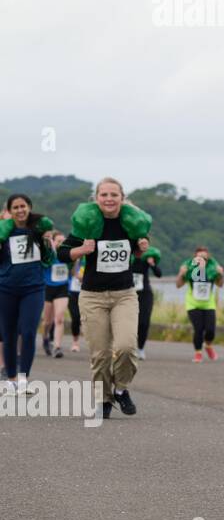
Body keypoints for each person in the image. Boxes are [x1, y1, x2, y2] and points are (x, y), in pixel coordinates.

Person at [57, 178, 150, 417]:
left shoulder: (130, 224)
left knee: (127, 347)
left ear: (122, 197)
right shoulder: (88, 224)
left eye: (113, 195)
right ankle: (103, 399)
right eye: (104, 195)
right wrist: (82, 250)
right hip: (92, 296)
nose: (109, 199)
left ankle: (120, 389)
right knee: (100, 354)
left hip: (124, 295)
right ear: (96, 198)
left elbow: (138, 251)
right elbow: (63, 253)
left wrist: (142, 247)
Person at [1, 194, 54, 395]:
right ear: (10, 211)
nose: (20, 210)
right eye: (15, 207)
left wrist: (48, 243)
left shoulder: (39, 229)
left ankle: (24, 378)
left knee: (29, 331)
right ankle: (11, 380)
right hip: (6, 288)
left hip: (33, 288)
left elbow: (49, 259)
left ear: (29, 207)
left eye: (23, 206)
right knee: (9, 334)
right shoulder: (4, 233)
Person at [176, 247, 224, 362]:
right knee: (198, 329)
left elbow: (220, 284)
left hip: (208, 304)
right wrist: (181, 274)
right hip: (193, 304)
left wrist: (221, 274)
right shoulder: (190, 270)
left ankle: (208, 345)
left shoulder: (212, 270)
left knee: (210, 330)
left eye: (204, 258)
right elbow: (178, 285)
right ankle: (198, 353)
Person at [42, 230, 71, 359]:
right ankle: (45, 338)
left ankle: (57, 347)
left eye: (63, 241)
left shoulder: (68, 255)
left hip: (62, 288)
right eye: (59, 241)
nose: (61, 243)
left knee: (59, 318)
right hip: (48, 288)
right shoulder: (49, 255)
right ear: (53, 242)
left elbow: (75, 271)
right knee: (47, 321)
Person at [131, 242, 161, 360]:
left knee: (144, 322)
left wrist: (152, 264)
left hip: (145, 293)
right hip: (128, 293)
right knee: (130, 323)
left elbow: (159, 274)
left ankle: (141, 348)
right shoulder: (128, 257)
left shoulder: (147, 258)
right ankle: (128, 347)